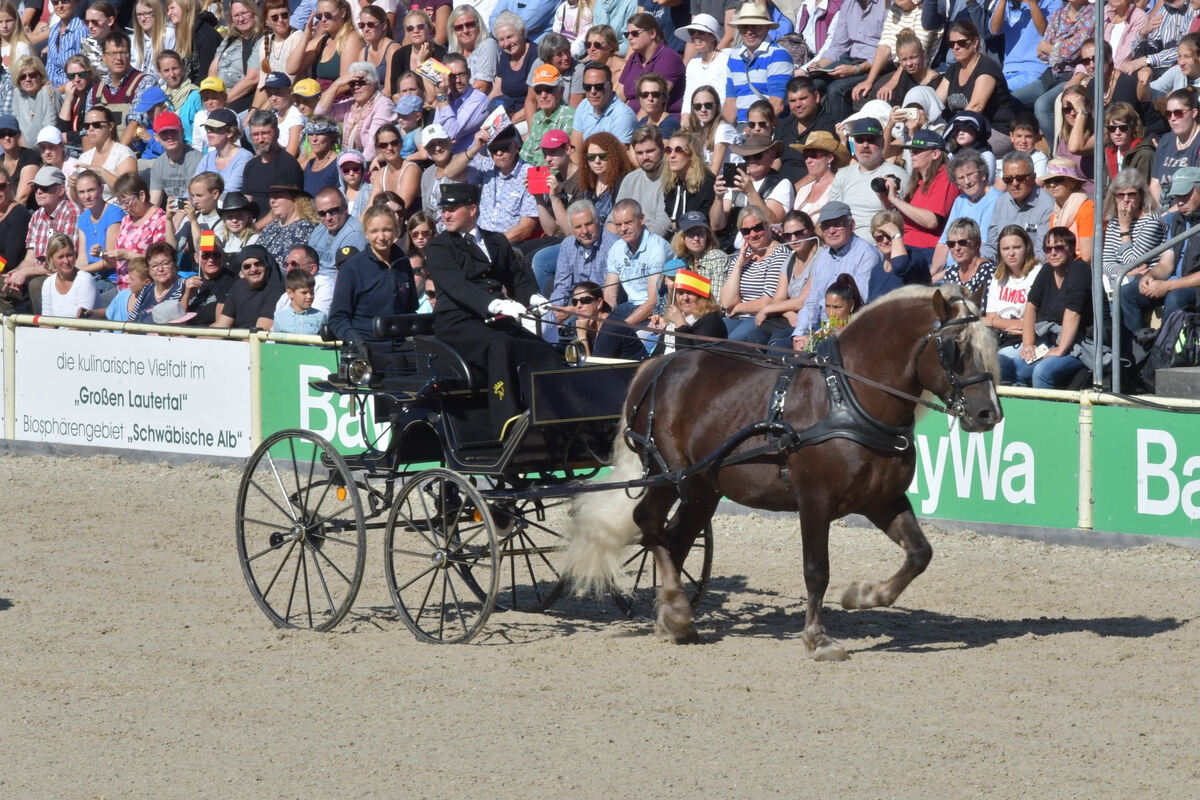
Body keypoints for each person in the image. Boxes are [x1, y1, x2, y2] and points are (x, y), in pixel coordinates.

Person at [424, 183, 557, 436]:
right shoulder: (440, 247)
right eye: (444, 209)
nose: (446, 215)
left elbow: (517, 279)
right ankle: (508, 421)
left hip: (497, 320)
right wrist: (495, 304)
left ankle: (552, 412)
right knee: (500, 344)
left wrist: (534, 297)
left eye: (452, 209)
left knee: (543, 350)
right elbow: (458, 286)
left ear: (472, 209)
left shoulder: (497, 241)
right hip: (458, 322)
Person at [1000, 226, 1092, 388]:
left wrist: (1060, 350)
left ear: (1071, 249)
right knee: (1009, 367)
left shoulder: (1080, 270)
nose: (1053, 253)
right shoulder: (1047, 269)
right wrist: (1028, 344)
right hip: (1053, 340)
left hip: (1083, 343)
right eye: (1048, 249)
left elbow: (1073, 313)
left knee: (1042, 372)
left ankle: (1048, 413)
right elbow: (1031, 306)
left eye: (1059, 248)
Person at [1119, 167, 1200, 335]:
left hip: (1193, 287)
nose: (1180, 202)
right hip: (1173, 283)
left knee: (1176, 297)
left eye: (1185, 195)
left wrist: (1168, 285)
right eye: (1177, 196)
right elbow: (1166, 264)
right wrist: (1150, 276)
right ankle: (1136, 351)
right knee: (1127, 293)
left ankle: (1163, 353)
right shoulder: (1175, 220)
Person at [792, 201, 880, 347]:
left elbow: (857, 305)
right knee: (776, 350)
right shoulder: (823, 256)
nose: (831, 231)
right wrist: (800, 335)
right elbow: (812, 301)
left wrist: (815, 338)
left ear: (851, 225)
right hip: (820, 330)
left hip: (848, 332)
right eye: (826, 226)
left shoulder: (866, 255)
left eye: (837, 224)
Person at [1, 166, 81, 311]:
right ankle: (13, 329)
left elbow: (66, 260)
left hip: (60, 273)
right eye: (36, 187)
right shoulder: (37, 216)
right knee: (5, 281)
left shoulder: (72, 213)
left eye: (44, 188)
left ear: (61, 190)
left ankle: (35, 328)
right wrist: (15, 274)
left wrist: (23, 272)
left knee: (35, 284)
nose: (38, 191)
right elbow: (29, 259)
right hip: (35, 271)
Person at [799, 0, 885, 122]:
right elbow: (839, 46)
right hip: (852, 59)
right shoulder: (848, 5)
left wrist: (857, 69)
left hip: (877, 63)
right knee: (813, 84)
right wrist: (820, 64)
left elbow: (889, 49)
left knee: (836, 90)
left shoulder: (887, 5)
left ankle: (839, 134)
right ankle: (813, 130)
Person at [935, 20, 1013, 154]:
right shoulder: (953, 69)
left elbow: (975, 108)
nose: (956, 48)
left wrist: (949, 135)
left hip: (995, 131)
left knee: (959, 156)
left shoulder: (986, 67)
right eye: (951, 44)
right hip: (963, 131)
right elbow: (934, 103)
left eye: (961, 42)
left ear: (975, 42)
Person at [719, 204, 790, 343]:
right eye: (746, 231)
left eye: (757, 228)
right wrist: (739, 264)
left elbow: (768, 301)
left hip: (760, 318)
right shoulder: (743, 256)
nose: (753, 234)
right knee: (707, 339)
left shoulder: (779, 254)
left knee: (728, 344)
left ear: (767, 226)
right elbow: (727, 302)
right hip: (735, 317)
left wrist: (737, 308)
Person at [827, 117, 910, 236]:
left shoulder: (899, 175)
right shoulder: (842, 175)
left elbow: (906, 221)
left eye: (871, 140)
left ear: (882, 142)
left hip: (882, 245)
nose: (865, 145)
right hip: (846, 245)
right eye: (860, 139)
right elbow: (832, 214)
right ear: (853, 143)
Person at [886, 129, 957, 265]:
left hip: (927, 251)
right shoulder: (918, 181)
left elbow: (931, 221)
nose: (912, 153)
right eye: (912, 149)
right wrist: (887, 197)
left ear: (935, 153)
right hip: (907, 246)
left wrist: (896, 200)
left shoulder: (944, 177)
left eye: (918, 150)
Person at [604, 197, 671, 330]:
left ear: (641, 219)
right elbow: (610, 295)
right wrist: (604, 319)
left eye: (628, 222)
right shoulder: (616, 249)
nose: (623, 229)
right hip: (629, 306)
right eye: (618, 224)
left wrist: (623, 326)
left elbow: (653, 301)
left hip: (657, 312)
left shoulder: (657, 248)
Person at [753, 210, 820, 346]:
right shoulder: (790, 259)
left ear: (811, 230)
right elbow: (778, 298)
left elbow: (803, 301)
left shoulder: (821, 257)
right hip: (789, 318)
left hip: (811, 320)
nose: (794, 239)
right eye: (788, 236)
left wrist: (766, 309)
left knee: (776, 345)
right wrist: (788, 313)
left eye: (799, 233)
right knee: (750, 340)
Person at [932, 148, 999, 280]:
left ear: (983, 175)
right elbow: (944, 243)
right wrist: (933, 272)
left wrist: (944, 274)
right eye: (961, 178)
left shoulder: (995, 200)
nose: (967, 182)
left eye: (970, 174)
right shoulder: (960, 201)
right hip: (951, 270)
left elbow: (983, 248)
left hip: (974, 271)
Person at [102, 172, 174, 291]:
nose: (124, 207)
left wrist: (128, 255)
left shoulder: (160, 221)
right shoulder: (127, 219)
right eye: (121, 203)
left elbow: (160, 263)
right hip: (123, 287)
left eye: (126, 202)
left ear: (141, 195)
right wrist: (105, 255)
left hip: (147, 289)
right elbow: (119, 261)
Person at [722, 2, 790, 125]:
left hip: (766, 127)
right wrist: (725, 134)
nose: (749, 31)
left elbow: (777, 105)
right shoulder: (734, 56)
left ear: (767, 27)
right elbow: (730, 102)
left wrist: (751, 130)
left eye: (755, 26)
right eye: (744, 27)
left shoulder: (778, 55)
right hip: (740, 127)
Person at [549, 198, 617, 320]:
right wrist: (553, 312)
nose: (585, 231)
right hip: (575, 304)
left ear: (598, 221)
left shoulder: (613, 246)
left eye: (589, 224)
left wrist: (574, 310)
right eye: (578, 227)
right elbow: (562, 286)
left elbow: (608, 296)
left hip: (602, 309)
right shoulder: (567, 245)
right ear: (571, 229)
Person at [316, 61, 394, 161]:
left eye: (362, 82)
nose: (356, 87)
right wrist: (336, 85)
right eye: (352, 84)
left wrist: (353, 165)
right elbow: (320, 115)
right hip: (351, 166)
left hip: (371, 163)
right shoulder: (351, 105)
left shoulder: (384, 105)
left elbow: (374, 146)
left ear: (375, 83)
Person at [985, 151, 1055, 261]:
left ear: (1033, 177)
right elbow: (992, 245)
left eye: (1021, 178)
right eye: (1008, 179)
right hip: (1002, 270)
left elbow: (1043, 254)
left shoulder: (1048, 206)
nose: (1015, 183)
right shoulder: (1001, 202)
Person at [985, 224, 1043, 349]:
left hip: (1029, 341)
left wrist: (994, 322)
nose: (1011, 253)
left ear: (1027, 248)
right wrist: (1007, 325)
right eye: (1005, 249)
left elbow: (1028, 324)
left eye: (1016, 247)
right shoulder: (998, 276)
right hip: (1001, 337)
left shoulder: (1038, 274)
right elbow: (990, 315)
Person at [241, 109, 304, 223]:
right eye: (255, 134)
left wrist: (255, 228)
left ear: (277, 133)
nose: (260, 139)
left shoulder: (288, 165)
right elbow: (246, 202)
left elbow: (284, 210)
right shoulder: (250, 166)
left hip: (277, 226)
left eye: (265, 133)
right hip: (251, 225)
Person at [288, 0, 362, 91]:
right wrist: (306, 37)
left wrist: (321, 100)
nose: (323, 19)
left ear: (343, 12)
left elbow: (346, 83)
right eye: (319, 16)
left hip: (339, 100)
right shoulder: (322, 41)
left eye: (328, 15)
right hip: (318, 98)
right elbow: (291, 69)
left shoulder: (352, 38)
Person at [619, 12, 685, 115]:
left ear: (652, 33)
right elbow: (620, 96)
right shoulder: (634, 58)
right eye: (627, 34)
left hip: (658, 121)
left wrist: (635, 129)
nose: (629, 38)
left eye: (635, 33)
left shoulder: (668, 58)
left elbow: (652, 103)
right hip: (629, 119)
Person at [73, 168, 122, 293]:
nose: (87, 196)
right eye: (82, 192)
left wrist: (80, 272)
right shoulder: (83, 218)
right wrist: (71, 273)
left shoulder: (114, 214)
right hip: (91, 276)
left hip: (111, 279)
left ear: (100, 189)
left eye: (91, 190)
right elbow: (83, 258)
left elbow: (110, 261)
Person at [1037, 157, 1094, 264]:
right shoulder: (1056, 213)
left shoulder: (1087, 208)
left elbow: (1087, 256)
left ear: (1073, 183)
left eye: (1058, 180)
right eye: (1048, 181)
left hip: (1083, 269)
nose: (1052, 185)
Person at [212, 244, 284, 329]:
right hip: (238, 339)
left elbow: (261, 333)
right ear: (242, 270)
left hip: (254, 340)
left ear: (266, 264)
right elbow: (221, 326)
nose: (253, 269)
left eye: (258, 264)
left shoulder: (276, 289)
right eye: (247, 266)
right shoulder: (238, 286)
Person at [1150, 88, 1200, 208]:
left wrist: (1168, 216)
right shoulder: (1165, 141)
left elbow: (1195, 193)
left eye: (1178, 113)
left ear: (1194, 113)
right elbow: (1155, 184)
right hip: (1162, 210)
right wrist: (1160, 217)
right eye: (1168, 114)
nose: (1172, 118)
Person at [571, 61, 637, 150]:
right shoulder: (583, 105)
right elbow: (575, 150)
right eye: (587, 87)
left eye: (599, 87)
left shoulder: (623, 114)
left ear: (610, 86)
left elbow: (618, 157)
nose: (593, 91)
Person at [431, 53, 489, 155]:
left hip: (470, 163)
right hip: (445, 160)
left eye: (461, 74)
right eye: (452, 76)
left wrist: (441, 96)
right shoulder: (445, 99)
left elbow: (451, 133)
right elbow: (433, 137)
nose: (457, 80)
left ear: (469, 73)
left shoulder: (479, 100)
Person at [867, 209, 931, 298]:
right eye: (879, 237)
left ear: (900, 234)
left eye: (889, 236)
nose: (885, 241)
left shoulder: (915, 257)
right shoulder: (876, 271)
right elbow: (870, 305)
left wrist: (895, 234)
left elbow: (900, 267)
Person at [521, 66, 575, 166]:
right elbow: (526, 156)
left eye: (549, 89)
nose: (543, 95)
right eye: (538, 90)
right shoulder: (537, 118)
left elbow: (568, 161)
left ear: (561, 90)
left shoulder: (570, 116)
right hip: (536, 176)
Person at [191, 108, 252, 196]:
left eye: (214, 128)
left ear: (230, 132)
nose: (209, 132)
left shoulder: (244, 157)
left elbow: (230, 191)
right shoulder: (207, 158)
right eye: (207, 128)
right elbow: (193, 187)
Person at [679, 15, 729, 123]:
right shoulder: (693, 63)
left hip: (718, 120)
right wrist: (685, 120)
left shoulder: (724, 60)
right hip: (696, 120)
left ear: (712, 36)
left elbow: (724, 97)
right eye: (692, 32)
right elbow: (688, 97)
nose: (695, 36)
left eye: (701, 32)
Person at [490, 11, 537, 124]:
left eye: (509, 37)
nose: (506, 44)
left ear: (521, 32)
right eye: (501, 39)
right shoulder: (505, 56)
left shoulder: (536, 56)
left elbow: (539, 99)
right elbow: (497, 90)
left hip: (530, 116)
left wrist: (513, 119)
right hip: (507, 115)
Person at [308, 186, 366, 276]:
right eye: (322, 213)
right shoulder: (320, 228)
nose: (328, 218)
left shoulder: (355, 234)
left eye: (333, 211)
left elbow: (348, 275)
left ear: (345, 208)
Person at [257, 181, 318, 266]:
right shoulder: (271, 226)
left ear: (295, 199)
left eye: (277, 196)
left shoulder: (304, 228)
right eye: (270, 196)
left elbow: (291, 266)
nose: (272, 201)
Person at [147, 111, 200, 208]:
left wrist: (172, 218)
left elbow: (193, 200)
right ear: (156, 137)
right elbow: (154, 204)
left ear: (182, 132)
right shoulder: (158, 164)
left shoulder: (196, 159)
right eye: (164, 133)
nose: (169, 136)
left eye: (173, 131)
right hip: (173, 213)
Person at [939, 217, 994, 307]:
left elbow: (983, 311)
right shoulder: (951, 273)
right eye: (951, 244)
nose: (956, 248)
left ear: (977, 244)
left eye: (962, 242)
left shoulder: (988, 272)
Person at [681, 84, 736, 172]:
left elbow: (714, 171)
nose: (703, 110)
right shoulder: (701, 130)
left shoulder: (723, 129)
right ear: (693, 110)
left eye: (708, 105)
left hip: (728, 182)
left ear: (717, 106)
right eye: (698, 106)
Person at [40, 232, 97, 317]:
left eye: (69, 255)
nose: (66, 261)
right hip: (61, 330)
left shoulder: (85, 280)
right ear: (51, 258)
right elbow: (47, 322)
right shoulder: (48, 284)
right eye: (61, 257)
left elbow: (82, 324)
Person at [183, 234, 235, 325]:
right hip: (186, 334)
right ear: (196, 258)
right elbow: (178, 319)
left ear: (223, 255)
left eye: (216, 255)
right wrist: (186, 294)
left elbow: (220, 325)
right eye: (205, 255)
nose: (211, 259)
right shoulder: (191, 281)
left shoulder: (230, 281)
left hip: (208, 336)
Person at [447, 5, 498, 95]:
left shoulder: (488, 45)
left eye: (469, 25)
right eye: (459, 27)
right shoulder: (453, 53)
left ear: (478, 24)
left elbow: (481, 86)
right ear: (453, 31)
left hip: (480, 104)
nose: (465, 30)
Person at [167, 0, 221, 84]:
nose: (169, 13)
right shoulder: (186, 34)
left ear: (187, 5)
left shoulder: (207, 35)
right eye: (168, 9)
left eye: (172, 8)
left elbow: (205, 77)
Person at [570, 25, 626, 105]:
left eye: (597, 45)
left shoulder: (626, 69)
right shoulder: (590, 71)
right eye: (588, 45)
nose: (592, 49)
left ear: (610, 46)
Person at [129, 241, 184, 322]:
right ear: (149, 270)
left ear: (174, 264)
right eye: (154, 266)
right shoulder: (147, 289)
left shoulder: (182, 285)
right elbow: (132, 319)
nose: (160, 269)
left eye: (165, 264)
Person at [1103, 102, 1156, 184]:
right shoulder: (1109, 153)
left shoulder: (1145, 155)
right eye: (1112, 128)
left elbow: (1142, 191)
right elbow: (1104, 189)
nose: (1117, 133)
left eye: (1123, 128)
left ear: (1133, 128)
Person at [358, 5, 402, 97]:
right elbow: (360, 86)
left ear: (383, 26)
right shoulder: (363, 53)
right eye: (362, 25)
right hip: (368, 101)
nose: (365, 29)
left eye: (370, 24)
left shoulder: (393, 49)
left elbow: (389, 90)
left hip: (386, 102)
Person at [273, 266, 327, 334]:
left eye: (312, 292)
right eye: (304, 292)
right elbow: (275, 343)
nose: (309, 296)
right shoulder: (280, 318)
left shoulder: (320, 317)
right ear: (290, 293)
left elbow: (326, 343)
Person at [0, 112, 38, 206]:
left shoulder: (30, 156)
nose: (7, 138)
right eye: (2, 134)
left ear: (19, 134)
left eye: (11, 133)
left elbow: (22, 197)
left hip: (25, 212)